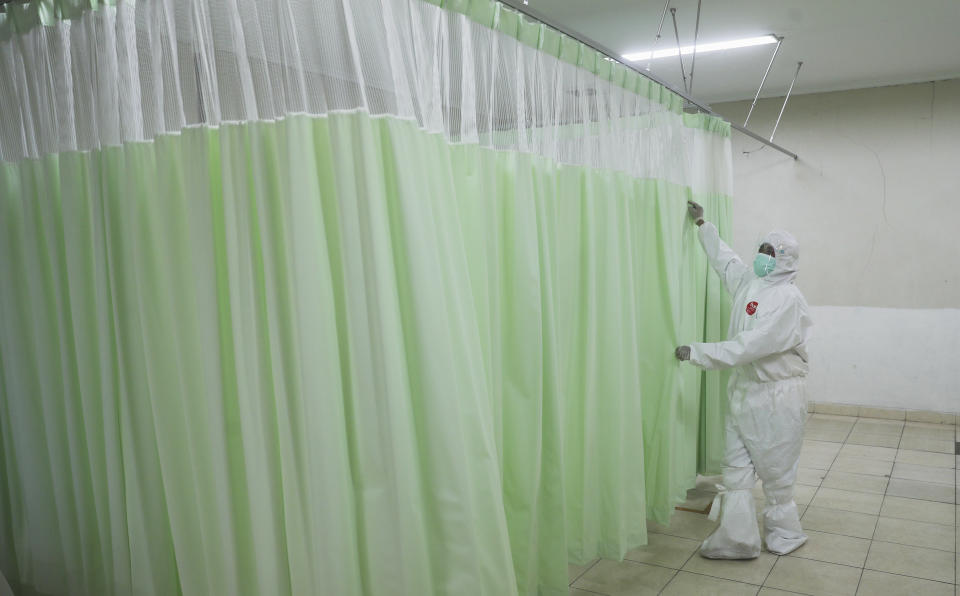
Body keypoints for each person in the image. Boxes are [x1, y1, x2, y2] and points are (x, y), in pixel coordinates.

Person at [675, 200, 812, 559]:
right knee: (735, 468)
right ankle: (736, 539)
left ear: (786, 259)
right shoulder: (753, 281)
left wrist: (698, 352)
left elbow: (749, 346)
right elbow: (726, 262)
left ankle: (785, 534)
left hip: (777, 397)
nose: (763, 256)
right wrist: (703, 224)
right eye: (762, 249)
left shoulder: (788, 300)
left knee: (776, 472)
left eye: (771, 252)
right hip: (743, 390)